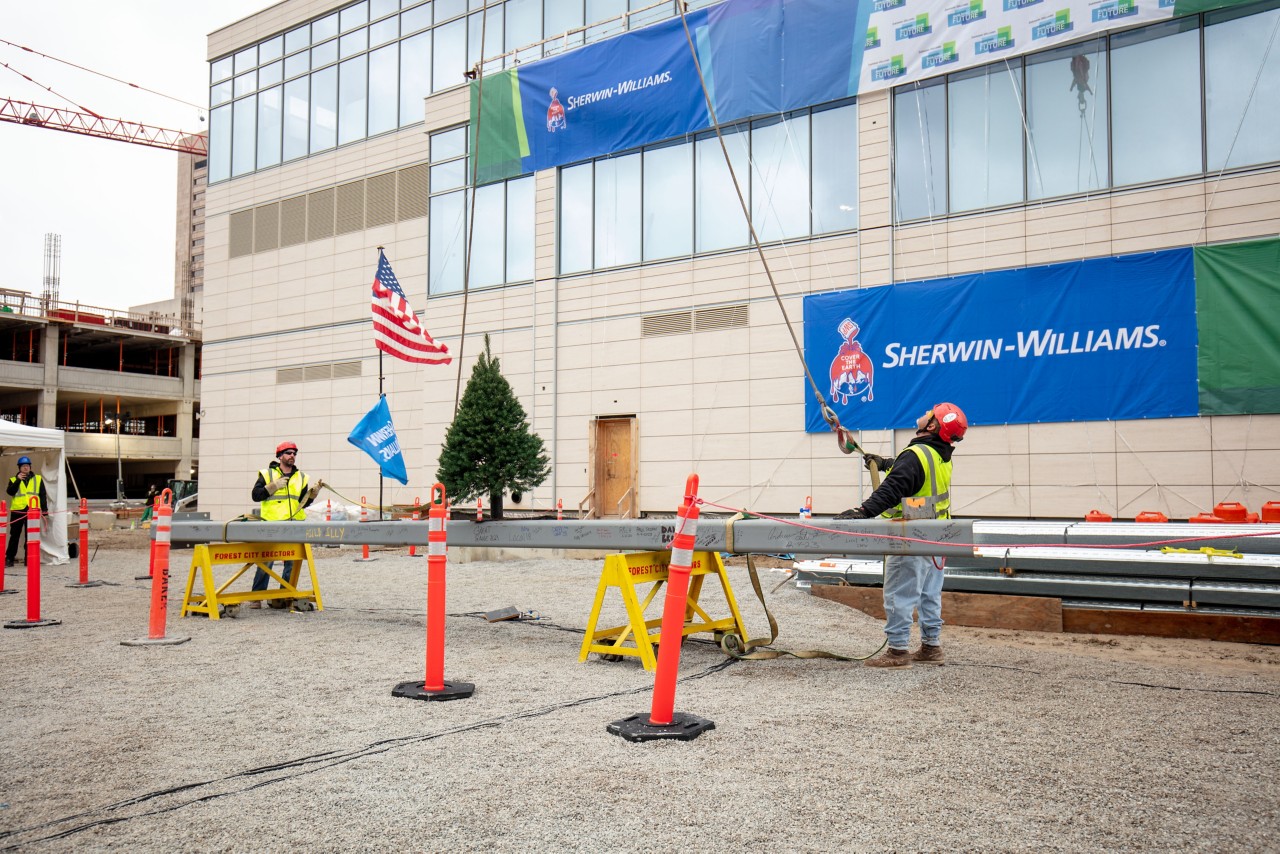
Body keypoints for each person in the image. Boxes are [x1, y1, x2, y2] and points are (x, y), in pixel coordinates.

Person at [836, 402, 968, 669]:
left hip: (911, 535)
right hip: (936, 534)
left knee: (899, 592)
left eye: (929, 414)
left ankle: (897, 652)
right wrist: (885, 463)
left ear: (932, 426)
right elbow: (911, 471)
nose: (924, 414)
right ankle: (931, 647)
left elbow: (892, 489)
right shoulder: (940, 454)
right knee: (930, 593)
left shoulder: (916, 455)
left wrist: (863, 511)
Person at [249, 441, 320, 608]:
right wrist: (272, 486)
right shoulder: (267, 474)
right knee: (266, 561)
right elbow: (256, 495)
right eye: (288, 453)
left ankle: (282, 596)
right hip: (272, 526)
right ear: (280, 456)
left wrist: (312, 496)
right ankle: (257, 597)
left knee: (292, 562)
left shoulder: (301, 478)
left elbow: (302, 504)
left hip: (294, 526)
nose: (292, 456)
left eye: (294, 453)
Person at [6, 455, 49, 568]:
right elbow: (10, 492)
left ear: (30, 467)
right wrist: (18, 481)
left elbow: (43, 495)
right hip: (17, 511)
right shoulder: (13, 480)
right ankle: (9, 559)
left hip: (32, 511)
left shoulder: (38, 479)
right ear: (19, 468)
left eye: (27, 466)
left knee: (30, 536)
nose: (25, 468)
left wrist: (44, 510)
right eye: (23, 466)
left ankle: (28, 559)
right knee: (14, 536)